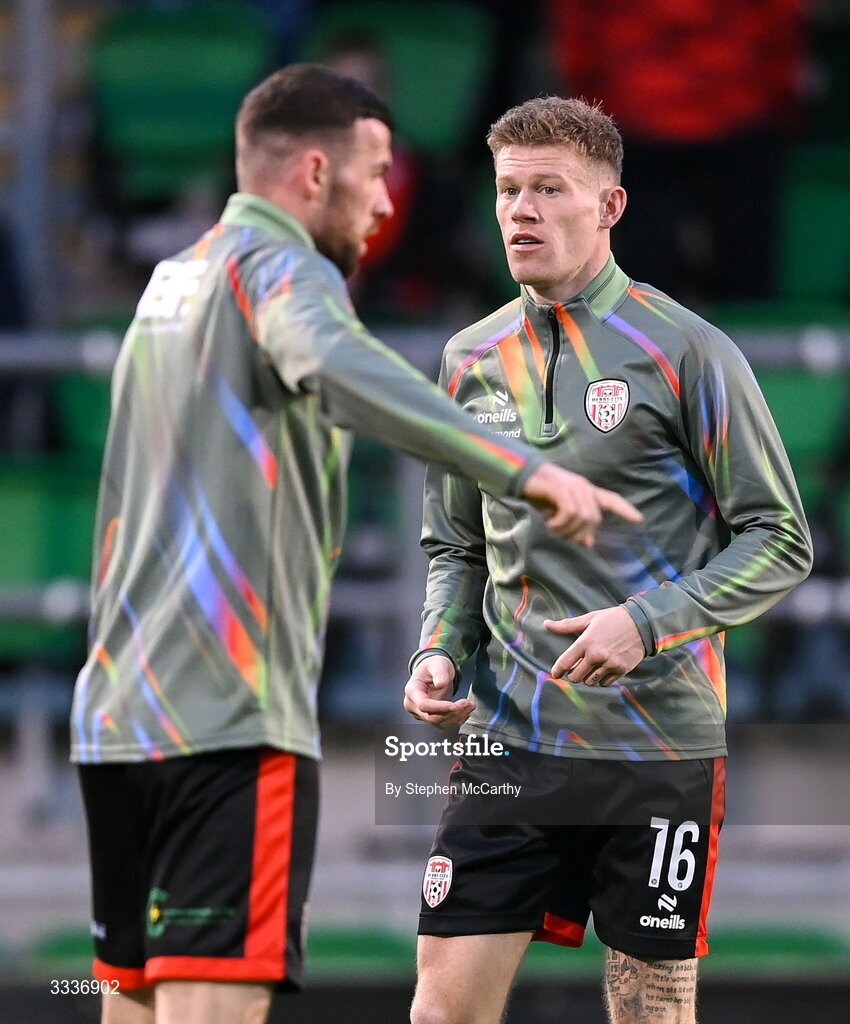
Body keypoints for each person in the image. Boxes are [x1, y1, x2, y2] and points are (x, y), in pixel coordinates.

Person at [69, 66, 641, 1024]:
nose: (385, 202)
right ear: (315, 172)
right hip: (227, 725)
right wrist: (526, 471)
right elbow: (336, 364)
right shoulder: (282, 274)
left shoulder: (174, 282)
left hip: (122, 720)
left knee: (134, 1012)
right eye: (375, 173)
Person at [404, 96, 813, 1024]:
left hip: (654, 745)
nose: (521, 211)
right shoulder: (469, 360)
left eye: (550, 189)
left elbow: (783, 540)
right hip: (508, 741)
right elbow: (455, 544)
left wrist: (648, 621)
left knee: (649, 1013)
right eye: (509, 190)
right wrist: (438, 649)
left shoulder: (687, 352)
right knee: (441, 1011)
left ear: (612, 207)